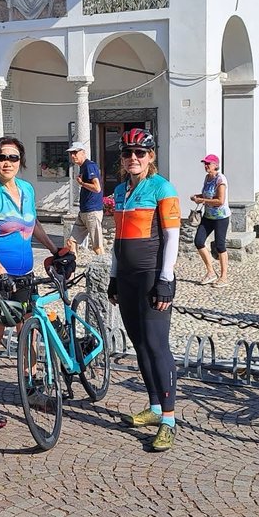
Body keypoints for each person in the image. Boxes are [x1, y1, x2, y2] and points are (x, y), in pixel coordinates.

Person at [0, 135, 69, 431]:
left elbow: (33, 224)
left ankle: (32, 389)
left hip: (26, 275)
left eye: (13, 158)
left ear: (20, 162)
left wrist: (55, 250)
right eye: (2, 157)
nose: (7, 163)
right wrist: (1, 271)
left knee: (29, 334)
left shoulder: (26, 190)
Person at [108, 128, 181, 452]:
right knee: (139, 344)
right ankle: (154, 408)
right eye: (128, 153)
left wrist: (165, 279)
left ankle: (168, 420)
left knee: (156, 345)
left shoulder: (162, 188)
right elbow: (117, 240)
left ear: (151, 156)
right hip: (126, 278)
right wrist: (112, 275)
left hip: (152, 277)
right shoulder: (121, 191)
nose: (133, 158)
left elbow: (172, 237)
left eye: (140, 153)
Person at [191, 153, 230, 286]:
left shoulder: (221, 179)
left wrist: (202, 200)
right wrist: (198, 196)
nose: (206, 166)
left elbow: (220, 200)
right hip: (208, 216)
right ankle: (211, 272)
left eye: (209, 163)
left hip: (221, 217)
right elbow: (208, 194)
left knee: (220, 245)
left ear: (216, 165)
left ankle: (224, 277)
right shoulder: (207, 178)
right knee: (199, 241)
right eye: (205, 163)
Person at [66, 141, 105, 255]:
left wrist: (82, 183)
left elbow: (97, 188)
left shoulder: (89, 166)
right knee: (71, 242)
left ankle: (105, 270)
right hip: (84, 211)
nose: (73, 156)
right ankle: (71, 269)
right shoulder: (83, 167)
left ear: (83, 153)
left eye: (75, 152)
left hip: (92, 212)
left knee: (97, 247)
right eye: (71, 153)